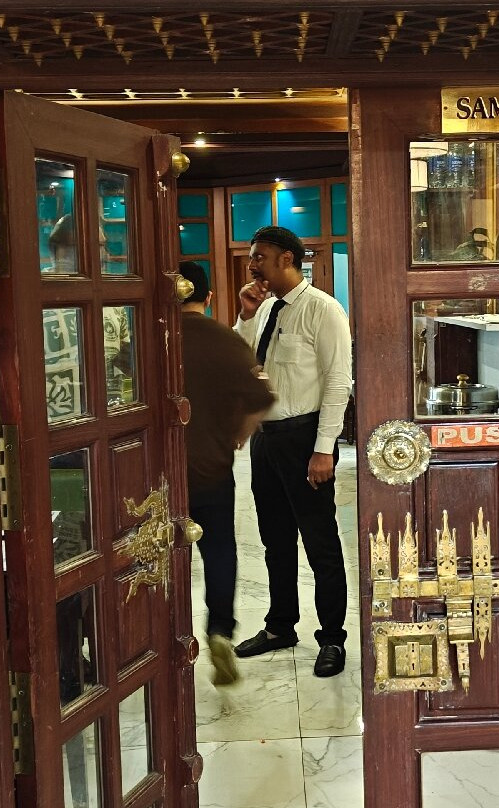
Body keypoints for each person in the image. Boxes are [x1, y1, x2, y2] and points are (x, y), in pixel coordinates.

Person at [233, 226, 352, 678]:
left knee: (320, 542)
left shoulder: (323, 309)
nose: (252, 265)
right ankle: (280, 626)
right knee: (275, 540)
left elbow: (338, 383)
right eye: (252, 256)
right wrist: (246, 316)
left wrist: (324, 450)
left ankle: (333, 637)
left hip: (305, 439)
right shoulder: (264, 308)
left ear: (287, 258)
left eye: (259, 256)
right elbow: (242, 362)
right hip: (267, 440)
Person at [178, 261, 275, 685]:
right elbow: (262, 399)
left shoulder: (148, 342)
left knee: (158, 558)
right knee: (218, 551)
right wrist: (238, 435)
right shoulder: (226, 340)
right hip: (212, 470)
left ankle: (160, 639)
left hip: (155, 476)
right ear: (208, 296)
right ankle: (219, 630)